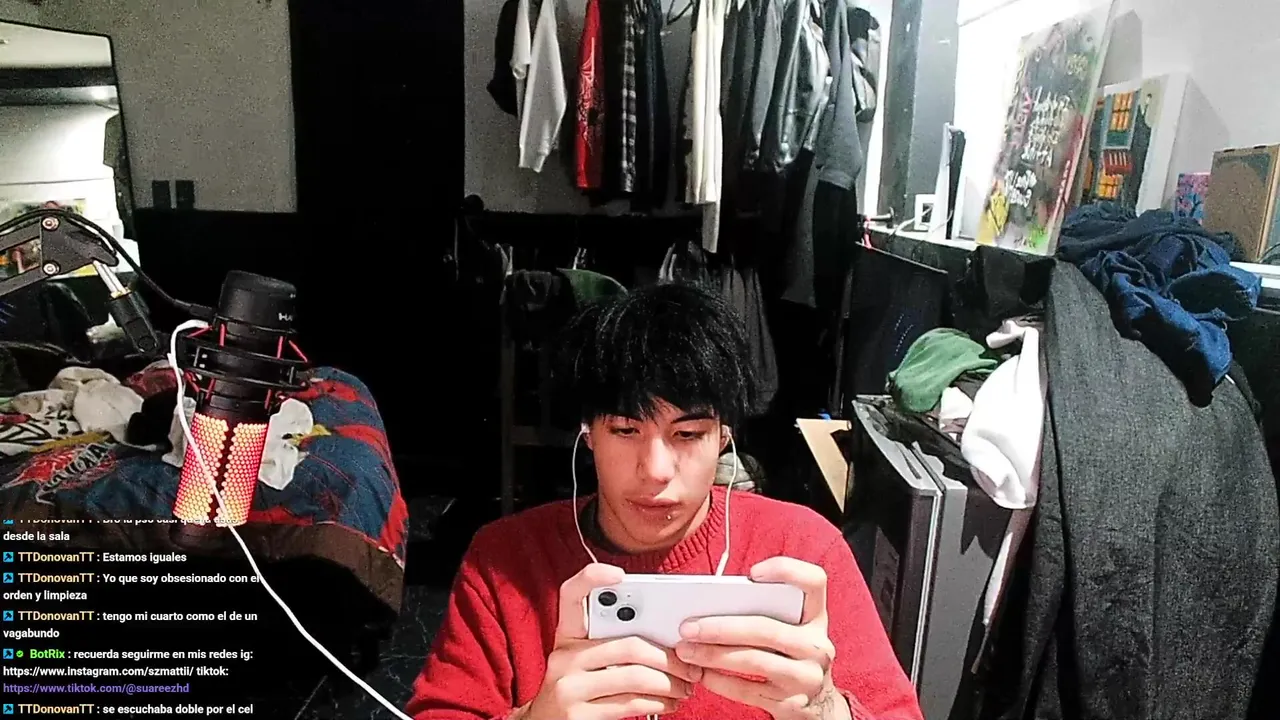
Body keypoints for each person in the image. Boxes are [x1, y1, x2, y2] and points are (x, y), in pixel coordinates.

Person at [404, 282, 922, 720]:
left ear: (724, 435)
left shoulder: (803, 548)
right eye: (625, 430)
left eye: (688, 434)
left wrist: (827, 707)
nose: (655, 471)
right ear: (588, 433)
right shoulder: (505, 560)